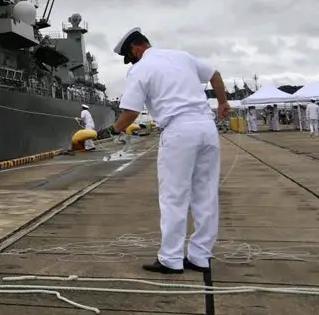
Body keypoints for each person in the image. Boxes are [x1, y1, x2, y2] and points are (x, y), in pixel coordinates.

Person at [97, 27, 230, 275]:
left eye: (130, 56)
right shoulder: (182, 56)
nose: (132, 61)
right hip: (206, 127)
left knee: (174, 196)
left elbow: (131, 112)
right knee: (206, 194)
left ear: (135, 48)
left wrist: (113, 131)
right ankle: (200, 257)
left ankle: (171, 258)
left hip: (179, 132)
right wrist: (222, 102)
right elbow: (215, 75)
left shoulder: (140, 69)